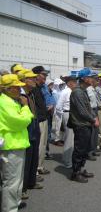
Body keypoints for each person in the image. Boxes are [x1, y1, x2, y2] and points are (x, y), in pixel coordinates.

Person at [0, 74, 34, 211]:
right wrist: (26, 108)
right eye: (16, 87)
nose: (19, 90)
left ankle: (15, 203)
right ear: (8, 89)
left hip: (17, 144)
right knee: (11, 181)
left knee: (17, 180)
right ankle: (9, 209)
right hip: (11, 146)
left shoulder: (11, 100)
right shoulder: (4, 102)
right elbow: (20, 122)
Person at [68, 68, 99, 183]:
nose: (92, 79)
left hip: (85, 124)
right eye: (90, 77)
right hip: (80, 125)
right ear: (84, 79)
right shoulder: (77, 92)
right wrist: (93, 119)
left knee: (85, 149)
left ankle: (80, 169)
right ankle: (75, 173)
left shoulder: (83, 90)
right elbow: (82, 111)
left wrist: (94, 117)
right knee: (79, 149)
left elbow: (88, 107)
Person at [17, 69, 43, 201]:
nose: (34, 80)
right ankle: (22, 189)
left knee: (33, 159)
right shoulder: (20, 97)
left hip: (34, 129)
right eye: (31, 78)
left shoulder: (30, 94)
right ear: (23, 81)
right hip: (26, 131)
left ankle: (31, 182)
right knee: (25, 162)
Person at [31, 66, 51, 175]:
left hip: (44, 118)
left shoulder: (40, 87)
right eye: (44, 75)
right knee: (39, 145)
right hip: (38, 120)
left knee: (43, 145)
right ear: (37, 75)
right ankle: (36, 170)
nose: (45, 77)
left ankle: (40, 166)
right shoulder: (33, 89)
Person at [56, 75, 77, 168]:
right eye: (75, 82)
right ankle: (67, 160)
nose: (76, 84)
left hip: (72, 114)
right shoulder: (65, 91)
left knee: (72, 138)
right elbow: (58, 106)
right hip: (67, 114)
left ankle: (69, 158)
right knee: (69, 138)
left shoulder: (72, 91)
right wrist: (64, 115)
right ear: (70, 83)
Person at [86, 73, 101, 160]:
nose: (98, 81)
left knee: (95, 132)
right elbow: (88, 103)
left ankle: (94, 149)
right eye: (97, 80)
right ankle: (89, 152)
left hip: (95, 110)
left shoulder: (94, 89)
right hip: (91, 111)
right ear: (92, 80)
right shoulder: (88, 89)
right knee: (91, 133)